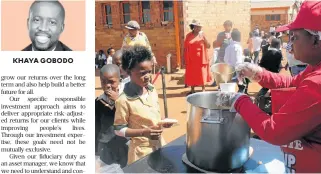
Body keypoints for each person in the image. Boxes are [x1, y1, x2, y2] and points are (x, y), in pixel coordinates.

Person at [215, 1, 321, 172]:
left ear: (315, 40)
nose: (290, 43)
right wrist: (258, 73)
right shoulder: (315, 68)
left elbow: (274, 131)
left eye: (294, 37)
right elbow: (292, 83)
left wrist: (239, 101)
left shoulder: (317, 83)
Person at [113, 45, 174, 165]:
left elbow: (150, 116)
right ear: (129, 72)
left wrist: (162, 122)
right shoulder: (124, 100)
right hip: (141, 153)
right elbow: (119, 129)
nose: (147, 76)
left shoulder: (152, 90)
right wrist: (143, 132)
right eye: (142, 73)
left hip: (159, 145)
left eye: (149, 72)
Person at [95, 64, 129, 172]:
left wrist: (118, 101)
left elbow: (133, 117)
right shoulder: (98, 102)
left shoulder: (127, 99)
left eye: (111, 81)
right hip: (106, 148)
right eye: (103, 82)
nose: (107, 85)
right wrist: (95, 152)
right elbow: (95, 127)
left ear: (119, 80)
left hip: (125, 144)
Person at [184, 19, 211, 94]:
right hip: (191, 59)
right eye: (197, 27)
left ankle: (203, 89)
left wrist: (204, 38)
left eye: (200, 27)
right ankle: (192, 89)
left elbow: (208, 46)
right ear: (193, 27)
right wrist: (185, 58)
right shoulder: (188, 36)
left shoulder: (203, 35)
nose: (199, 28)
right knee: (192, 73)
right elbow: (185, 48)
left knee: (202, 73)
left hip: (201, 59)